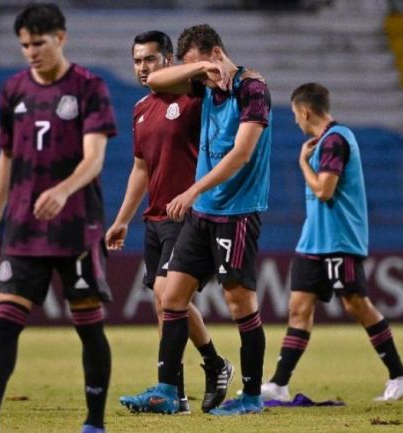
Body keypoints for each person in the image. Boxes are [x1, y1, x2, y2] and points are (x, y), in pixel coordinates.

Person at [0, 4, 117, 433]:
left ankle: (94, 423)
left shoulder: (89, 88)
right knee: (5, 321)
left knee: (88, 326)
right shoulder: (12, 91)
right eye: (24, 45)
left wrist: (61, 190)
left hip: (76, 226)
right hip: (22, 227)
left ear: (61, 37)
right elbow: (5, 159)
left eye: (39, 43)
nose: (31, 52)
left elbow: (95, 159)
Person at [119, 24, 272, 416]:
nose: (201, 76)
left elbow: (240, 155)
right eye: (194, 69)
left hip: (236, 212)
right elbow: (155, 79)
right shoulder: (203, 86)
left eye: (203, 65)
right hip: (203, 214)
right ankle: (168, 391)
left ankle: (252, 396)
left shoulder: (252, 89)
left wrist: (192, 191)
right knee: (171, 298)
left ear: (217, 53)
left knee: (240, 304)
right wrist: (195, 70)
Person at [260, 82, 403, 403]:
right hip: (313, 241)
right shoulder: (327, 142)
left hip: (339, 240)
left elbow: (324, 190)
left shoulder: (335, 141)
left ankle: (401, 376)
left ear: (305, 110)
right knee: (298, 308)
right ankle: (278, 384)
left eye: (295, 114)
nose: (295, 121)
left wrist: (302, 163)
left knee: (355, 304)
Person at [105, 30, 234, 415]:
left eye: (149, 59)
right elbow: (141, 168)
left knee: (166, 294)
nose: (142, 67)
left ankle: (189, 378)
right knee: (165, 305)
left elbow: (217, 74)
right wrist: (123, 219)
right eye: (137, 61)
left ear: (167, 61)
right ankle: (182, 389)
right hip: (155, 217)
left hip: (189, 214)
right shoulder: (141, 109)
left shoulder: (193, 95)